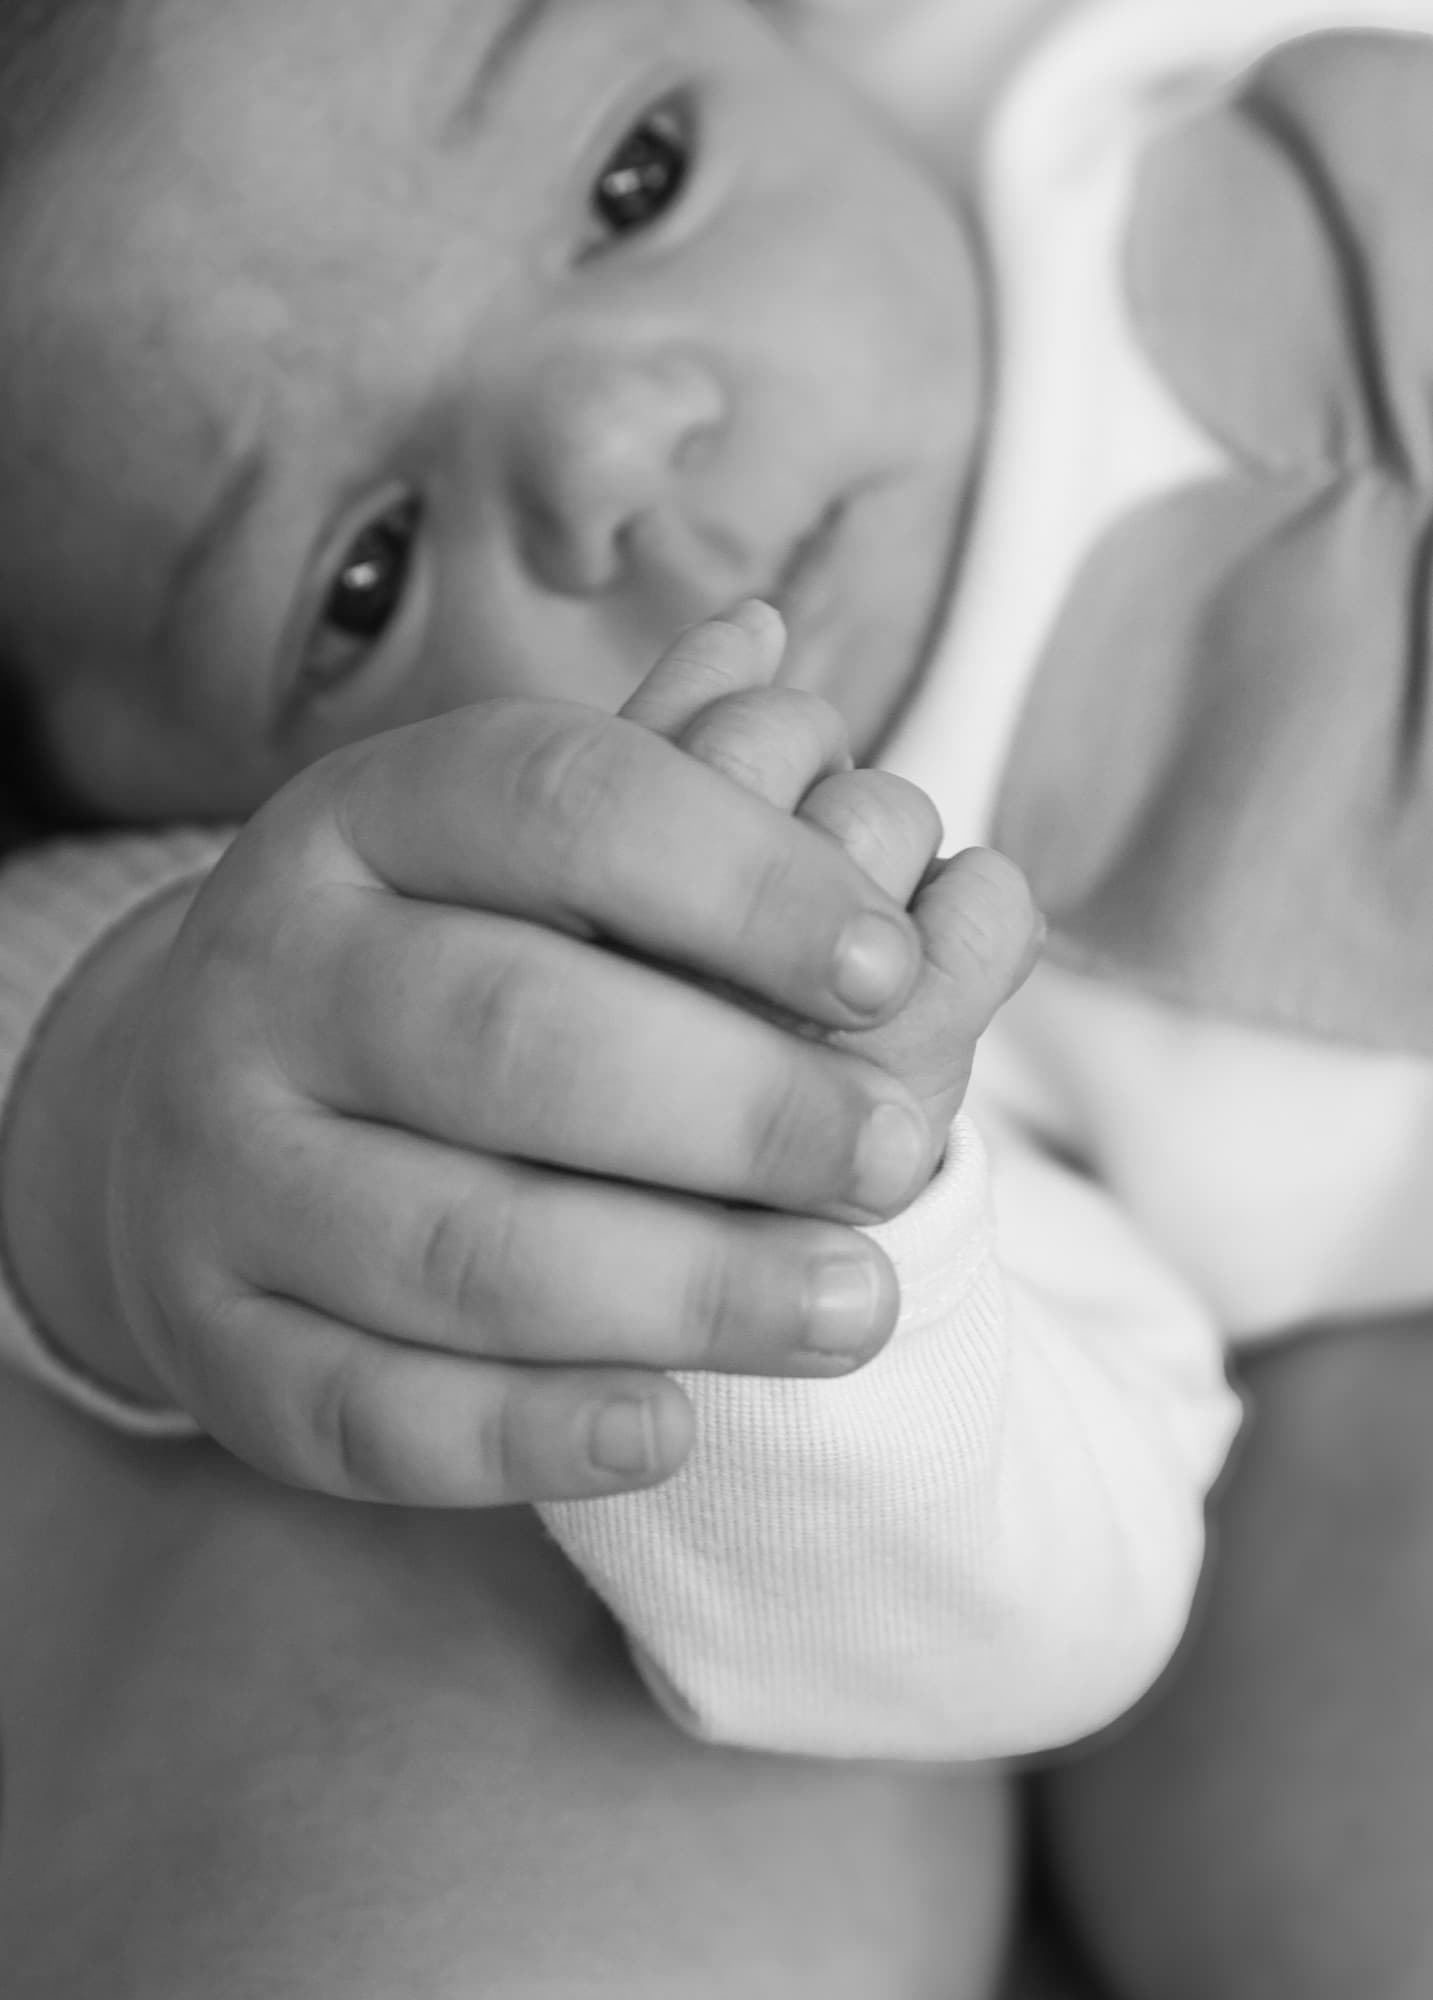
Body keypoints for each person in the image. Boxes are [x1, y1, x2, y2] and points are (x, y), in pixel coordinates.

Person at [0, 1, 1424, 1996]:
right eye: (362, 576)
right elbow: (1047, 1598)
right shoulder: (827, 1022)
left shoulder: (1007, 55)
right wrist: (802, 1253)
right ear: (219, 813)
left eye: (636, 179)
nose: (602, 448)